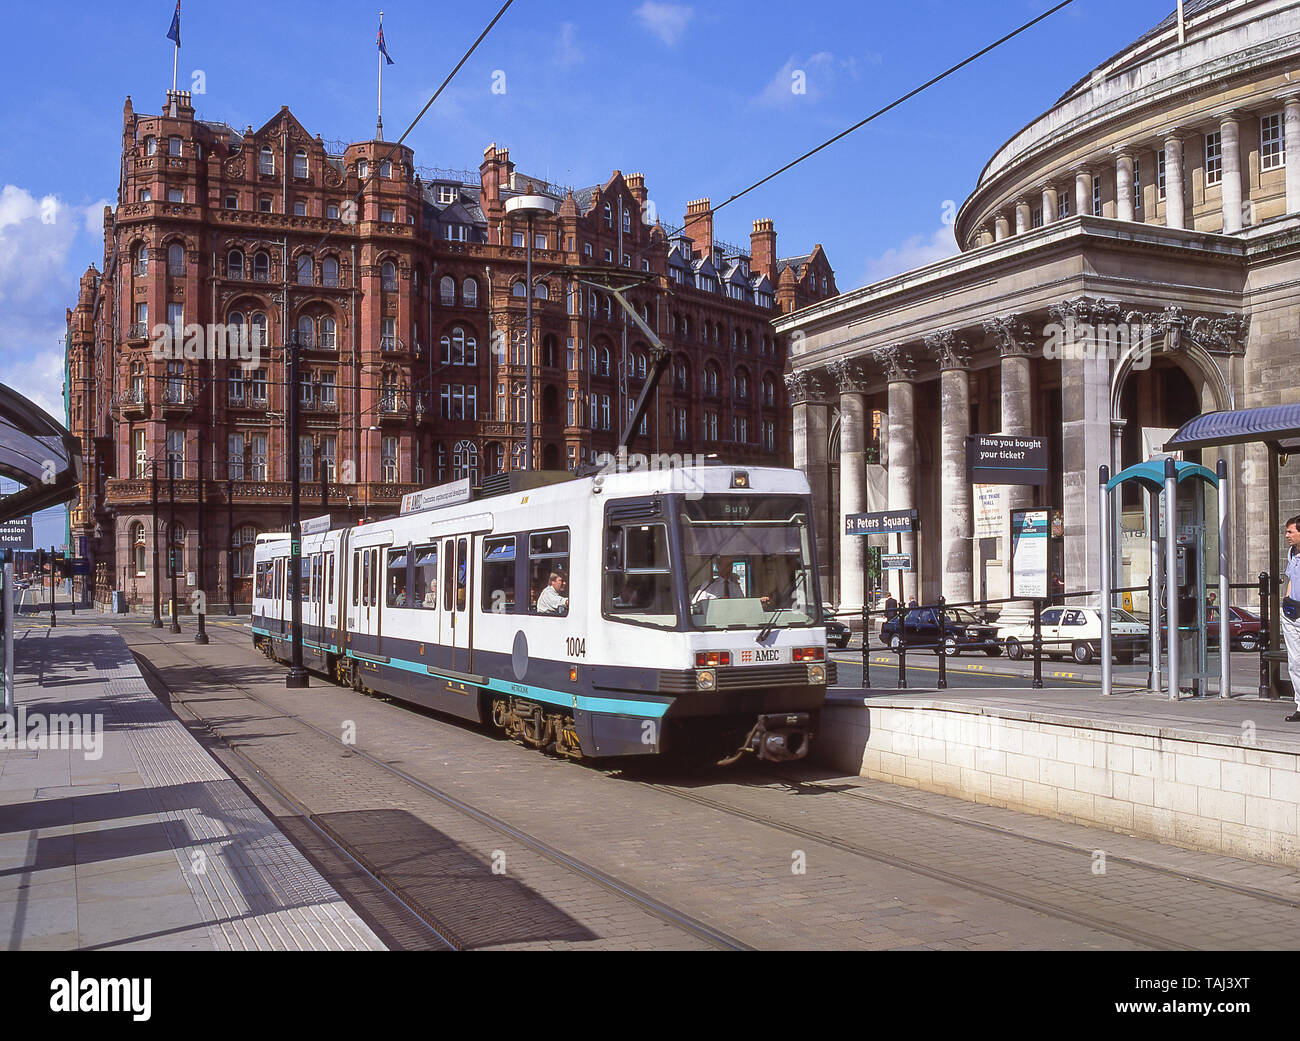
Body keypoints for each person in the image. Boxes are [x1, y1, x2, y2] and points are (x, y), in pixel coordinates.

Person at [1283, 515, 1300, 722]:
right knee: (1295, 662)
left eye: (1290, 532)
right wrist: (1287, 599)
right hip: (1291, 613)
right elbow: (1290, 578)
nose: (1287, 535)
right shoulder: (1292, 553)